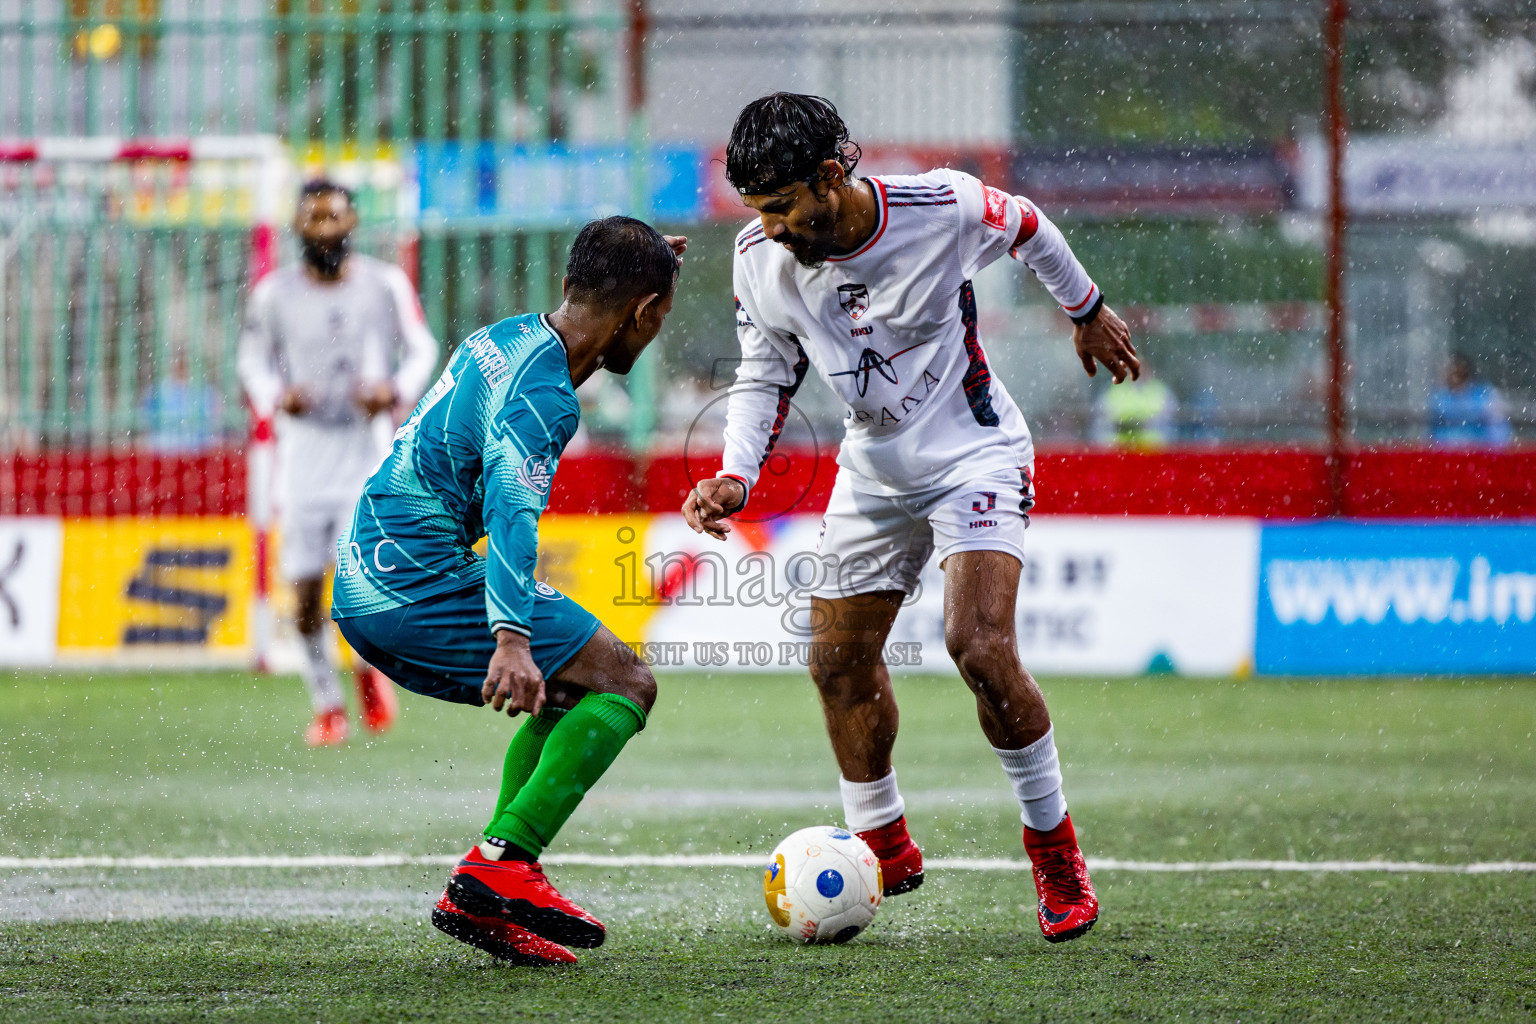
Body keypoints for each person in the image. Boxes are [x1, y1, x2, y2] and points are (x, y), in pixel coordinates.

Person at [682, 93, 1138, 944]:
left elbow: (1031, 225)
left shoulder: (941, 207)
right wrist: (736, 476)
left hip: (975, 451)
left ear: (830, 177)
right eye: (758, 211)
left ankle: (1055, 851)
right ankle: (884, 847)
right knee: (835, 661)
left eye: (782, 207)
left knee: (979, 645)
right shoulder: (758, 257)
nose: (772, 228)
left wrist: (1086, 309)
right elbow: (762, 375)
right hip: (875, 467)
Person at [332, 217, 687, 966]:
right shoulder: (547, 398)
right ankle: (499, 867)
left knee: (574, 692)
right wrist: (512, 638)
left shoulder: (509, 334)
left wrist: (641, 267)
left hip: (370, 567)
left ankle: (490, 888)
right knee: (626, 681)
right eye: (659, 315)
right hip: (411, 584)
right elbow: (514, 514)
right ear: (645, 313)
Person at [238, 179, 440, 747]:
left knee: (363, 583)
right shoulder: (274, 295)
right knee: (303, 595)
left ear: (352, 222)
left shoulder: (384, 284)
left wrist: (394, 388)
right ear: (298, 227)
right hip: (302, 458)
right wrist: (276, 395)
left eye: (334, 216)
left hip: (365, 452)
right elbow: (252, 361)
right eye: (314, 217)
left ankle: (367, 671)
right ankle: (328, 703)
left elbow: (421, 346)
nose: (325, 227)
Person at [1429, 353, 1512, 448]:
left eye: (1456, 371)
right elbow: (1429, 432)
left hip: (1480, 454)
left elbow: (1499, 430)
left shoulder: (1485, 394)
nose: (1451, 375)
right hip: (1443, 453)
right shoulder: (1439, 396)